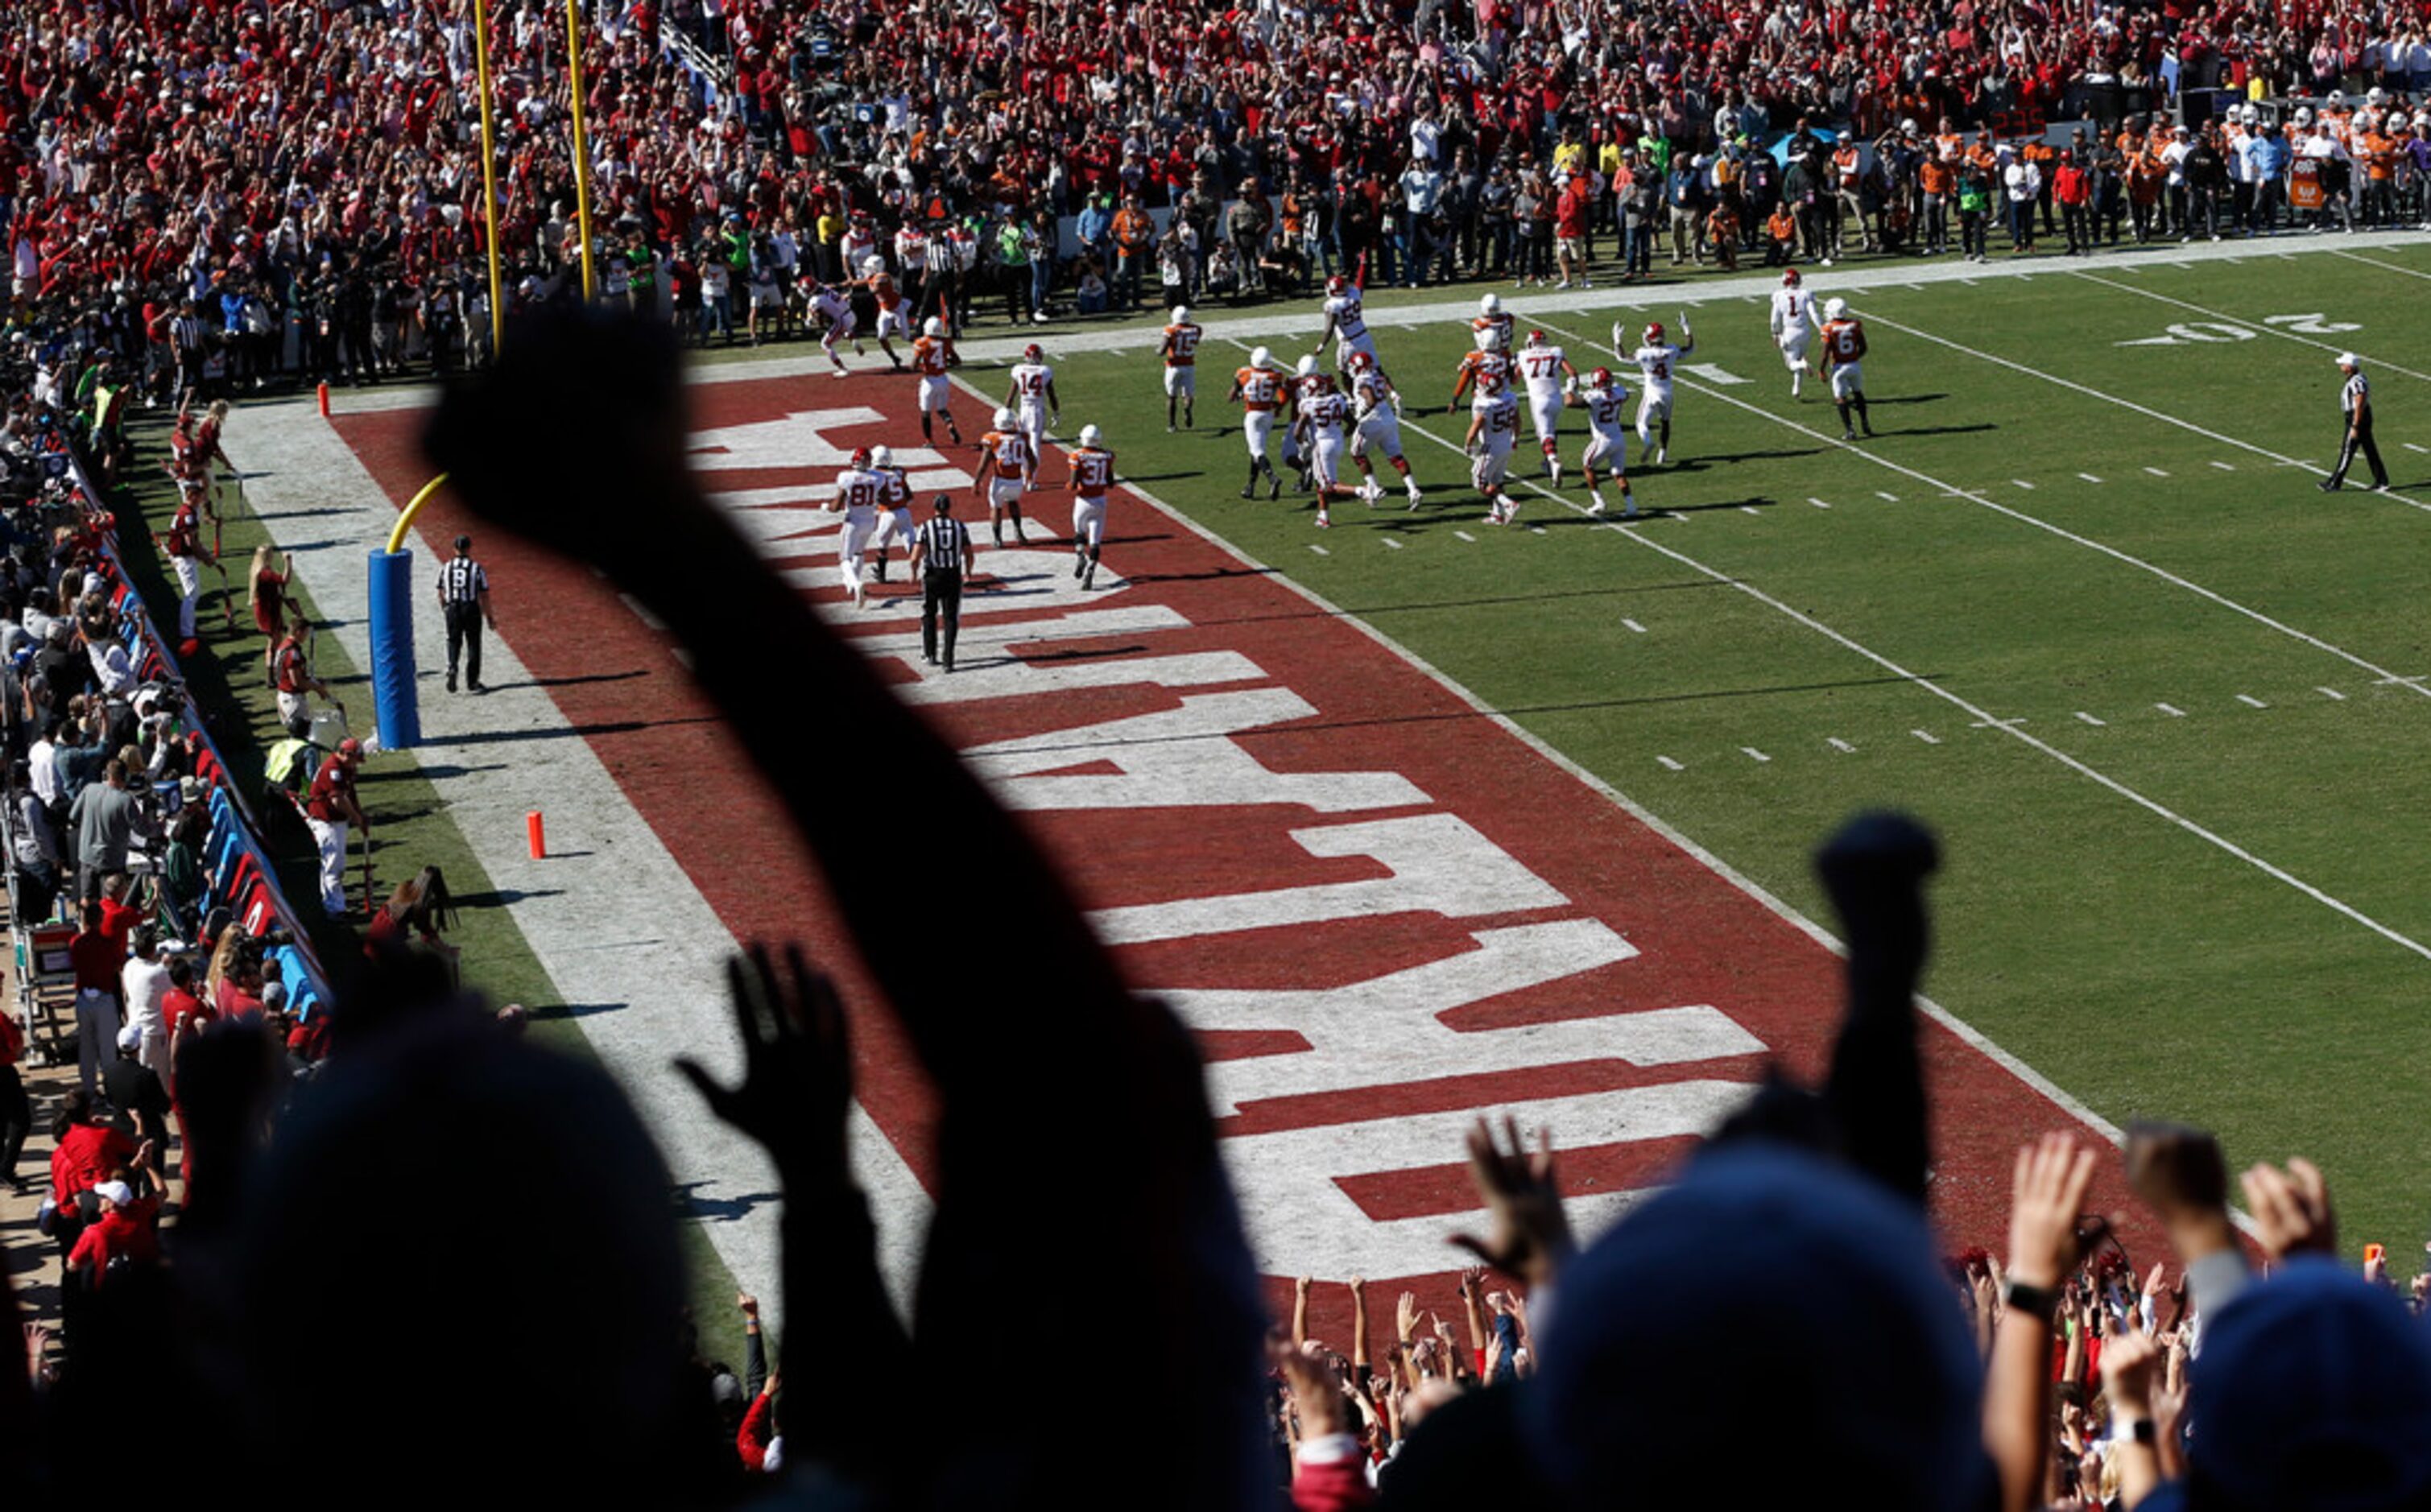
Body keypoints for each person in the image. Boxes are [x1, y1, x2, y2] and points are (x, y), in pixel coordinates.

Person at [304, 737, 368, 917]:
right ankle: (334, 908)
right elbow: (338, 799)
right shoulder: (333, 769)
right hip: (326, 821)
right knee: (333, 864)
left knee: (336, 863)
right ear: (346, 755)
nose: (356, 765)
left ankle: (333, 901)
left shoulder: (344, 768)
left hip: (336, 820)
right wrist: (356, 818)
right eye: (355, 759)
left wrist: (360, 816)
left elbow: (350, 794)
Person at [910, 493, 974, 672]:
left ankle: (930, 654)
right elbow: (969, 553)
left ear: (934, 508)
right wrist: (968, 572)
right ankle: (948, 659)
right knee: (951, 617)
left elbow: (915, 556)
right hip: (953, 575)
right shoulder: (959, 527)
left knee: (929, 614)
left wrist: (914, 573)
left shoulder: (925, 527)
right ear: (949, 508)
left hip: (933, 575)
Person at [1618, 316, 1694, 466]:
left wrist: (1617, 340)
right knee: (1665, 422)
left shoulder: (1643, 353)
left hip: (1652, 393)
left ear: (1649, 337)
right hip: (1667, 393)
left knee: (1641, 423)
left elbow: (1622, 357)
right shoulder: (1672, 350)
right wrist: (1687, 330)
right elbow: (1689, 348)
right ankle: (1663, 453)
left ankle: (1648, 442)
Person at [68, 900, 123, 1101]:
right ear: (101, 919)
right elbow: (117, 965)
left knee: (87, 1049)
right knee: (108, 1049)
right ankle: (111, 1092)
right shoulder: (107, 943)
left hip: (84, 999)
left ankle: (90, 1093)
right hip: (103, 998)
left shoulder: (76, 942)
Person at [1567, 366, 1638, 518]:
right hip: (1619, 438)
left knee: (1588, 467)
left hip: (1602, 440)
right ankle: (1630, 505)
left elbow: (1569, 402)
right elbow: (1623, 395)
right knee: (1619, 474)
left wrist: (1570, 388)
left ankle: (1599, 502)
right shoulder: (1619, 392)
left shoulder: (1594, 396)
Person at [2321, 352, 2391, 492]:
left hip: (2357, 417)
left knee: (2348, 450)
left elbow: (2359, 403)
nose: (2340, 366)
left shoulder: (2357, 381)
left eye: (2343, 364)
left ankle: (2335, 482)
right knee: (2369, 449)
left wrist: (2355, 425)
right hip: (2359, 416)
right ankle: (2381, 480)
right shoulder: (2356, 379)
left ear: (2349, 366)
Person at [436, 534, 496, 693]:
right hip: (470, 608)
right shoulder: (476, 568)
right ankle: (472, 681)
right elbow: (484, 594)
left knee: (453, 640)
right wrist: (489, 616)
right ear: (469, 548)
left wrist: (445, 608)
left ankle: (452, 665)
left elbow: (440, 591)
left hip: (453, 607)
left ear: (454, 548)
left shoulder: (446, 567)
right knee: (473, 643)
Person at [1230, 347, 1288, 500]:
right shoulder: (1276, 375)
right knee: (1256, 450)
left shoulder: (1243, 373)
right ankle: (1250, 486)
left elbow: (1231, 396)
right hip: (1268, 416)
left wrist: (1239, 394)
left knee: (1257, 451)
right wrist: (1278, 407)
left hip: (1253, 415)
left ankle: (1272, 478)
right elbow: (1283, 397)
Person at [973, 408, 1035, 545]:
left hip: (1001, 480)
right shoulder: (1023, 437)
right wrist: (1029, 475)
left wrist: (977, 481)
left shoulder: (992, 439)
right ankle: (1019, 531)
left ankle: (998, 539)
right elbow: (1032, 460)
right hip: (1017, 481)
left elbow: (983, 464)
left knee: (996, 507)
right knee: (1013, 502)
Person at [1068, 425, 1116, 590]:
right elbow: (1111, 483)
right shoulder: (1108, 456)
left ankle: (1081, 555)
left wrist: (1069, 485)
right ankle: (1090, 572)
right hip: (1100, 501)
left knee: (1080, 533)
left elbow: (1073, 484)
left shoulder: (1077, 455)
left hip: (1083, 501)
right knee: (1095, 542)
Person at [1821, 297, 1875, 442]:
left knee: (1841, 398)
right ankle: (1865, 423)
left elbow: (1826, 352)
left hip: (1839, 367)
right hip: (1854, 365)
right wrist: (1854, 357)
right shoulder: (1855, 324)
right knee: (1858, 393)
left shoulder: (1828, 328)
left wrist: (1821, 370)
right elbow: (1864, 347)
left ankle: (1850, 430)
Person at [1770, 267, 1821, 399]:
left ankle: (1802, 365)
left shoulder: (1779, 295)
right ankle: (1796, 388)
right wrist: (1822, 329)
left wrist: (1775, 333)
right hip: (1805, 330)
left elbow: (1775, 318)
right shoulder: (1805, 294)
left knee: (1792, 363)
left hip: (1790, 331)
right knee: (1800, 356)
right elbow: (1813, 314)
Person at [911, 318, 960, 447]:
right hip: (943, 379)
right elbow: (957, 361)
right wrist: (944, 361)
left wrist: (922, 365)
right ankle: (950, 424)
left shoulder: (922, 342)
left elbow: (914, 365)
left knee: (926, 412)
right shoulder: (946, 342)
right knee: (942, 409)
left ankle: (929, 441)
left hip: (929, 381)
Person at [1160, 306, 1201, 432]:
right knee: (1188, 395)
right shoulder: (1197, 329)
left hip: (1173, 366)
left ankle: (1172, 425)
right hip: (1189, 366)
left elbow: (1162, 350)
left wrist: (1158, 351)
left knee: (1172, 396)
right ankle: (1187, 408)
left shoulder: (1170, 330)